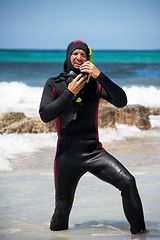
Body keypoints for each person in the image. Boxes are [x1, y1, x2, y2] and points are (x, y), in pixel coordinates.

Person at [39, 40, 146, 234]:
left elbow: (121, 101)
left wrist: (99, 75)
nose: (79, 57)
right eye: (75, 54)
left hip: (94, 153)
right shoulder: (53, 84)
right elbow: (45, 114)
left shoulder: (94, 84)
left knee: (128, 182)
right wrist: (70, 93)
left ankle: (140, 235)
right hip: (66, 158)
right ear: (68, 57)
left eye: (83, 54)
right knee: (60, 216)